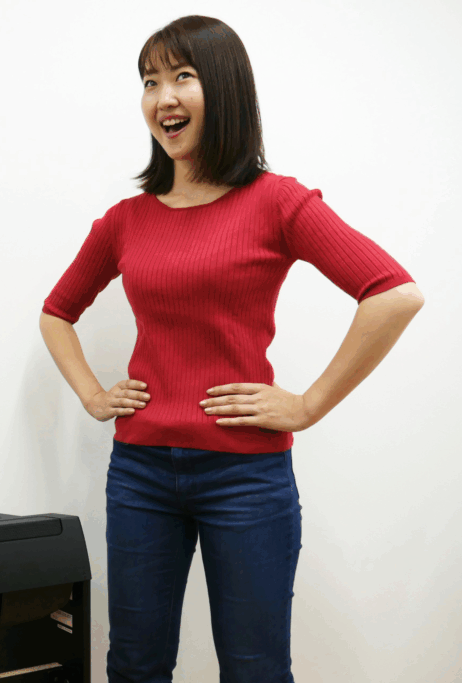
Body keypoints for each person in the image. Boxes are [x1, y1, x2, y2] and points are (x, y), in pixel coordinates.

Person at [40, 16, 424, 683]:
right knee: (134, 665)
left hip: (247, 475)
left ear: (224, 88)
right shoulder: (127, 219)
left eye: (182, 77)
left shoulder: (278, 201)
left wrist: (306, 405)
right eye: (149, 81)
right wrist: (94, 395)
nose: (163, 97)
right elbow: (57, 312)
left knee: (255, 670)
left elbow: (394, 294)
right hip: (140, 473)